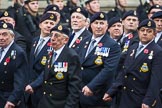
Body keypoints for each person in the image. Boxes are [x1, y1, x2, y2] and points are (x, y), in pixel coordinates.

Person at [103, 19, 162, 108]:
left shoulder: (157, 51)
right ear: (138, 32)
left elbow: (156, 80)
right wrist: (112, 91)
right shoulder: (133, 47)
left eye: (149, 31)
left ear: (154, 34)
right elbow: (124, 72)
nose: (145, 33)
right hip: (126, 96)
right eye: (142, 30)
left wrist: (148, 101)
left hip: (141, 97)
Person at [25, 24, 81, 108]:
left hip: (60, 103)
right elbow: (46, 73)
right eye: (51, 35)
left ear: (65, 40)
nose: (52, 38)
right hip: (46, 101)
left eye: (57, 35)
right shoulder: (51, 53)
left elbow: (74, 86)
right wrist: (34, 85)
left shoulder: (71, 56)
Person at [76, 12, 121, 108]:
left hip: (96, 93)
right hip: (79, 91)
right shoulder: (84, 40)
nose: (99, 26)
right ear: (90, 25)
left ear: (107, 26)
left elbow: (108, 70)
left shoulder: (112, 45)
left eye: (102, 23)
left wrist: (91, 86)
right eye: (96, 23)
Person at [25, 13, 57, 108]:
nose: (48, 25)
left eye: (52, 23)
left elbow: (48, 70)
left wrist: (34, 85)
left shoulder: (55, 44)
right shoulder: (34, 41)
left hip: (44, 90)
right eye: (46, 22)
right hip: (29, 90)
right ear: (40, 25)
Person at [0, 22, 28, 108]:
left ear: (12, 36)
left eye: (5, 35)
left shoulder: (18, 52)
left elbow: (20, 80)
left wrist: (13, 100)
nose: (1, 38)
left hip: (9, 99)